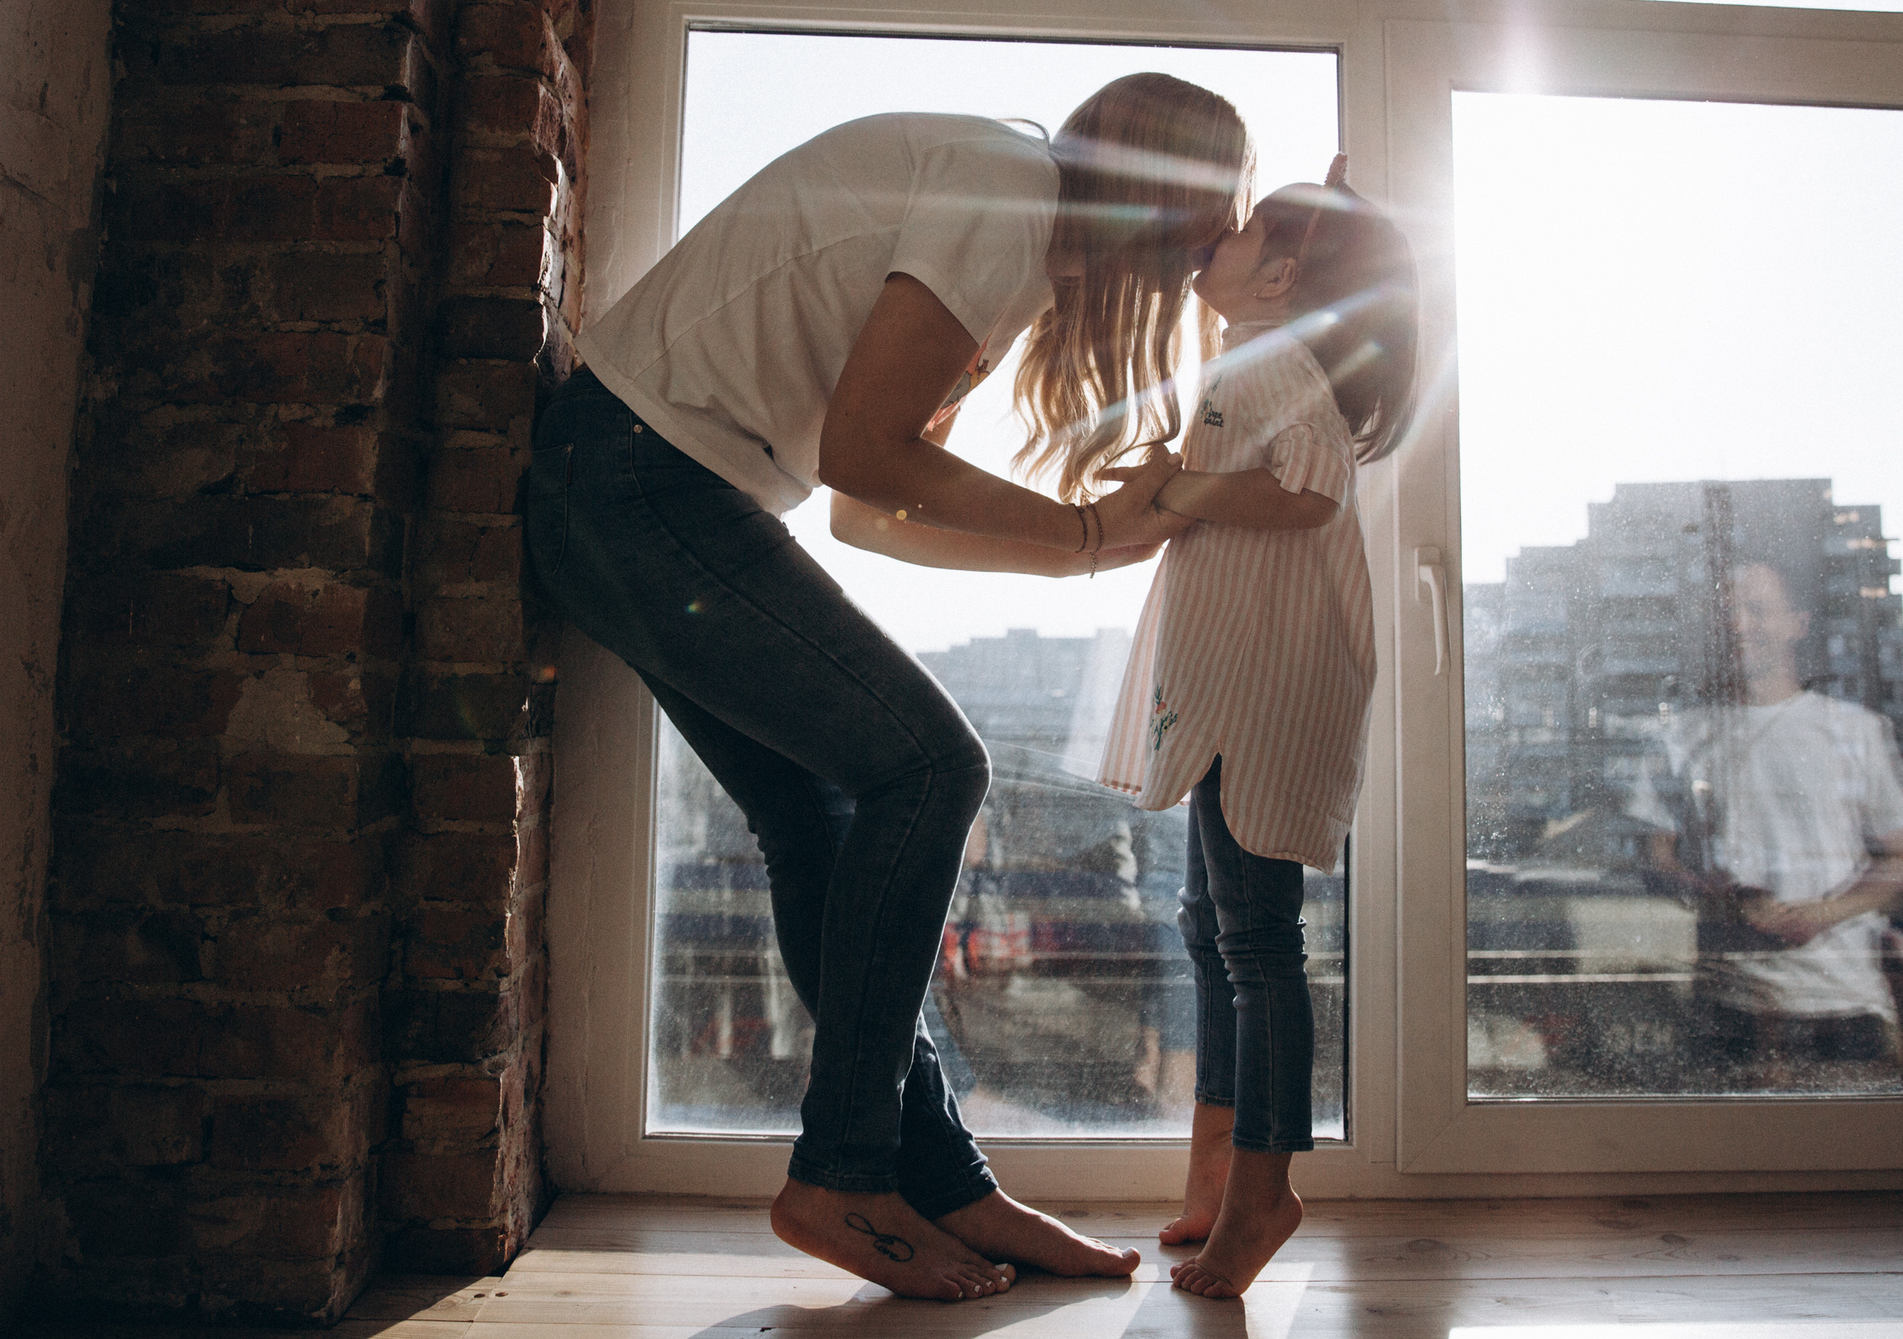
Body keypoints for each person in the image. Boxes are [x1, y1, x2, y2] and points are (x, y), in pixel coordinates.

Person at [529, 74, 1245, 1300]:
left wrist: (1076, 542)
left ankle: (938, 1180)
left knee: (826, 814)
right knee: (932, 764)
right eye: (1204, 226)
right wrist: (1075, 535)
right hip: (648, 482)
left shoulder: (1004, 205)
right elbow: (867, 458)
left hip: (633, 486)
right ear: (1162, 197)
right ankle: (844, 1174)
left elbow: (863, 511)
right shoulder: (1010, 196)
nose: (1197, 263)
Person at [1096, 165, 1420, 1299]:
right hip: (1238, 681)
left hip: (1267, 686)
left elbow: (1309, 492)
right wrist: (1181, 480)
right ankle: (1217, 1179)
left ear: (1280, 275)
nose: (1211, 244)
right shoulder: (1253, 360)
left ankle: (1260, 1194)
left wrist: (1179, 490)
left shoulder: (1272, 363)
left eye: (1238, 236)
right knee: (1214, 926)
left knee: (1253, 943)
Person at [1630, 559, 1903, 1084]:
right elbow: (1655, 859)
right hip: (1729, 1004)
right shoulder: (1678, 736)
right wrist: (1718, 900)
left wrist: (1820, 915)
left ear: (1798, 623)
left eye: (1758, 610)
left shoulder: (1855, 731)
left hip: (1843, 1004)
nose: (1740, 625)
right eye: (1727, 614)